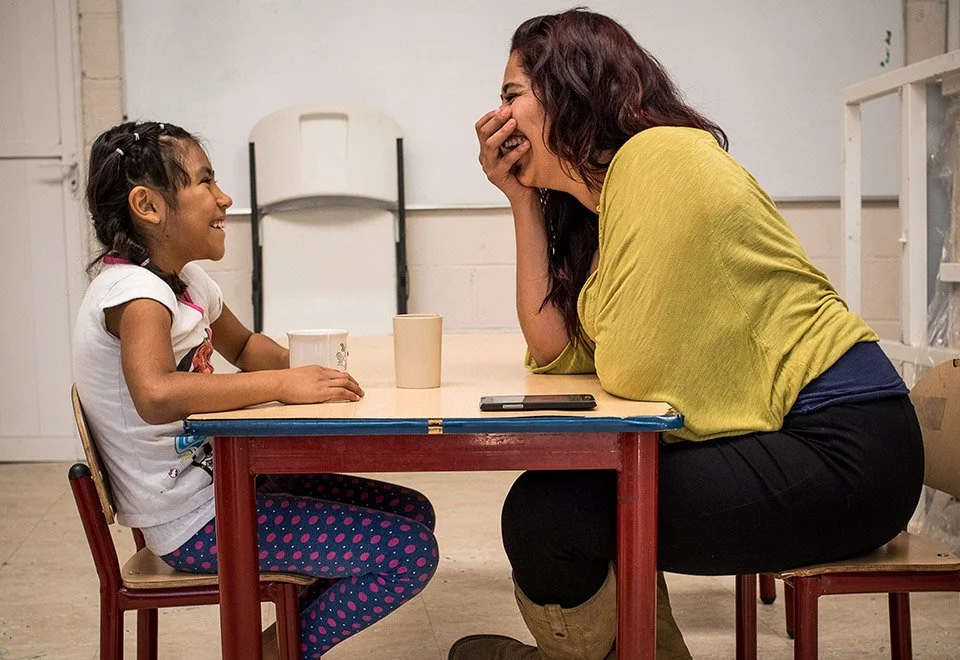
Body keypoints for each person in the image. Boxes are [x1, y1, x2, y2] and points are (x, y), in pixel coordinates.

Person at [449, 9, 923, 660]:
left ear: (569, 85)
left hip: (845, 448)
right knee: (558, 501)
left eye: (510, 96)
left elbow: (632, 369)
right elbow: (559, 351)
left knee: (552, 514)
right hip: (807, 439)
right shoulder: (609, 201)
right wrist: (521, 202)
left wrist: (602, 339)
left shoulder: (657, 157)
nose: (496, 117)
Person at [73, 120, 439, 659]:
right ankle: (271, 652)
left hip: (226, 486)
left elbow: (244, 347)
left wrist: (319, 371)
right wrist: (283, 385)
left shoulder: (186, 282)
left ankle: (276, 641)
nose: (224, 198)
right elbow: (153, 394)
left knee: (413, 513)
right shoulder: (136, 295)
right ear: (148, 207)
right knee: (407, 553)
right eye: (204, 182)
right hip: (194, 521)